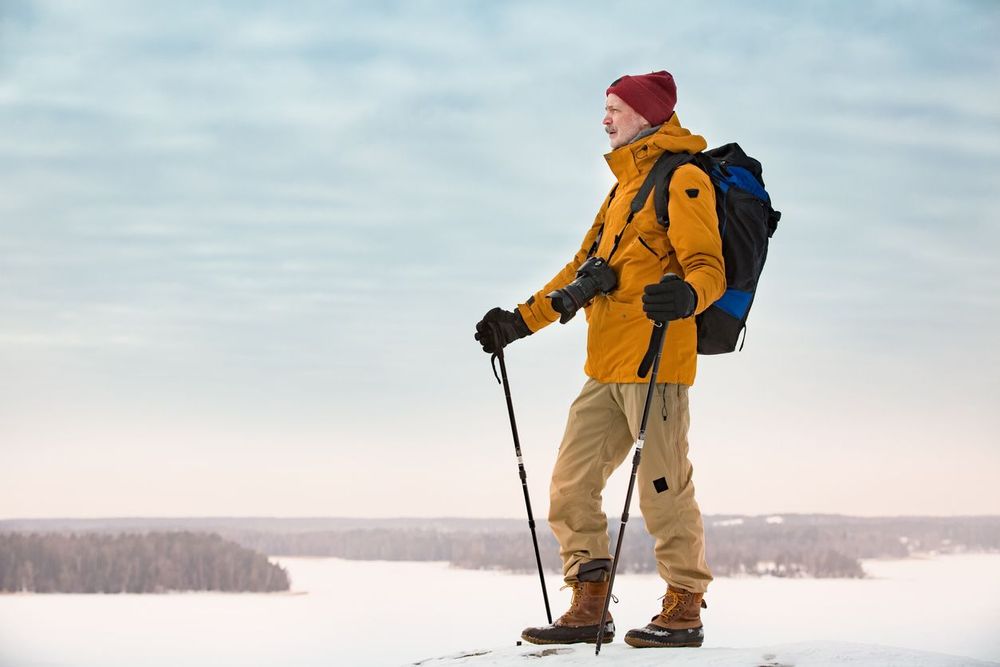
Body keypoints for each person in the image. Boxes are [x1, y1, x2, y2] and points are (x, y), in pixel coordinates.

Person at [474, 70, 724, 649]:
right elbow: (583, 268)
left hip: (656, 361)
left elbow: (709, 267)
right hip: (604, 366)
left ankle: (684, 604)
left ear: (646, 114)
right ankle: (589, 602)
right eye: (605, 107)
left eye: (615, 108)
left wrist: (688, 294)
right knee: (569, 484)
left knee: (664, 486)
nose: (606, 118)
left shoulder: (682, 178)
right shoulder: (620, 190)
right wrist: (519, 321)